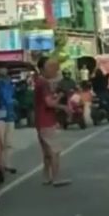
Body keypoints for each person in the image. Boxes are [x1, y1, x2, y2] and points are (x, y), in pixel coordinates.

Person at [33, 57, 72, 187]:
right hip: (46, 121)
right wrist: (63, 105)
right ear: (43, 68)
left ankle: (46, 177)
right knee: (55, 151)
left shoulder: (39, 82)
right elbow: (49, 103)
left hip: (40, 120)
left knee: (47, 152)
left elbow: (45, 101)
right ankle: (55, 178)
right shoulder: (43, 83)